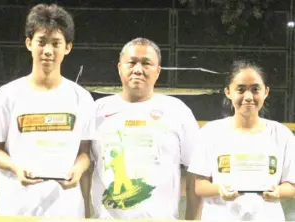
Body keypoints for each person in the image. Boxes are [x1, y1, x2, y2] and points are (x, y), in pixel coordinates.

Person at [0, 4, 94, 218]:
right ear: (29, 43)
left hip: (66, 210)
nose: (48, 51)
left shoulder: (82, 98)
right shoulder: (7, 95)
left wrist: (78, 170)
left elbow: (84, 154)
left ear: (68, 47)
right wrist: (15, 166)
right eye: (41, 42)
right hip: (17, 210)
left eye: (56, 43)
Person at [87, 37, 201, 219]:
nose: (138, 70)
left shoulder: (177, 110)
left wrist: (192, 220)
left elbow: (197, 170)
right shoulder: (97, 110)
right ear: (119, 68)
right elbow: (84, 164)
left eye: (146, 63)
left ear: (158, 71)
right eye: (131, 63)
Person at [188, 60, 295, 221]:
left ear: (266, 92)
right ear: (228, 92)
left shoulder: (282, 135)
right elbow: (199, 185)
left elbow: (292, 186)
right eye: (241, 89)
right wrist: (220, 189)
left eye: (255, 89)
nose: (248, 97)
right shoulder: (210, 133)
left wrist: (278, 192)